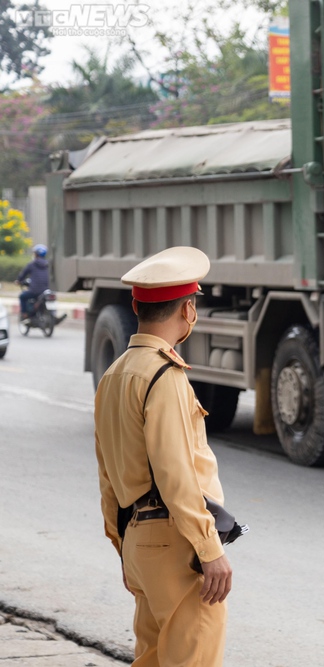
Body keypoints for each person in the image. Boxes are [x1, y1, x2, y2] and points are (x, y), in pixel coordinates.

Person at [94, 246, 232, 666]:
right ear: (189, 310)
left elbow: (107, 478)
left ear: (136, 305)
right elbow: (176, 474)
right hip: (175, 544)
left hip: (139, 541)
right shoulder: (164, 376)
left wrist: (124, 547)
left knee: (152, 659)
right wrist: (211, 550)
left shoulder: (113, 376)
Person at [15, 244, 50, 321]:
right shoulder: (48, 264)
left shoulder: (32, 264)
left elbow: (22, 275)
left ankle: (24, 314)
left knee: (22, 296)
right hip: (46, 290)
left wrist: (18, 281)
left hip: (34, 290)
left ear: (36, 254)